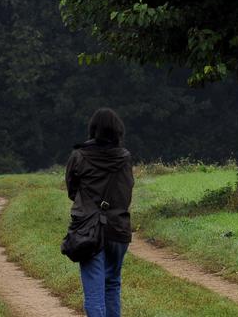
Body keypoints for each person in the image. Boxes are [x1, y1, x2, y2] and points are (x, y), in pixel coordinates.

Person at [65, 107, 135, 317]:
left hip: (89, 231)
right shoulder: (124, 158)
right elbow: (126, 193)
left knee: (94, 294)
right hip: (118, 230)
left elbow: (72, 191)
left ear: (93, 129)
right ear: (118, 131)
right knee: (112, 285)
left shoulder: (79, 156)